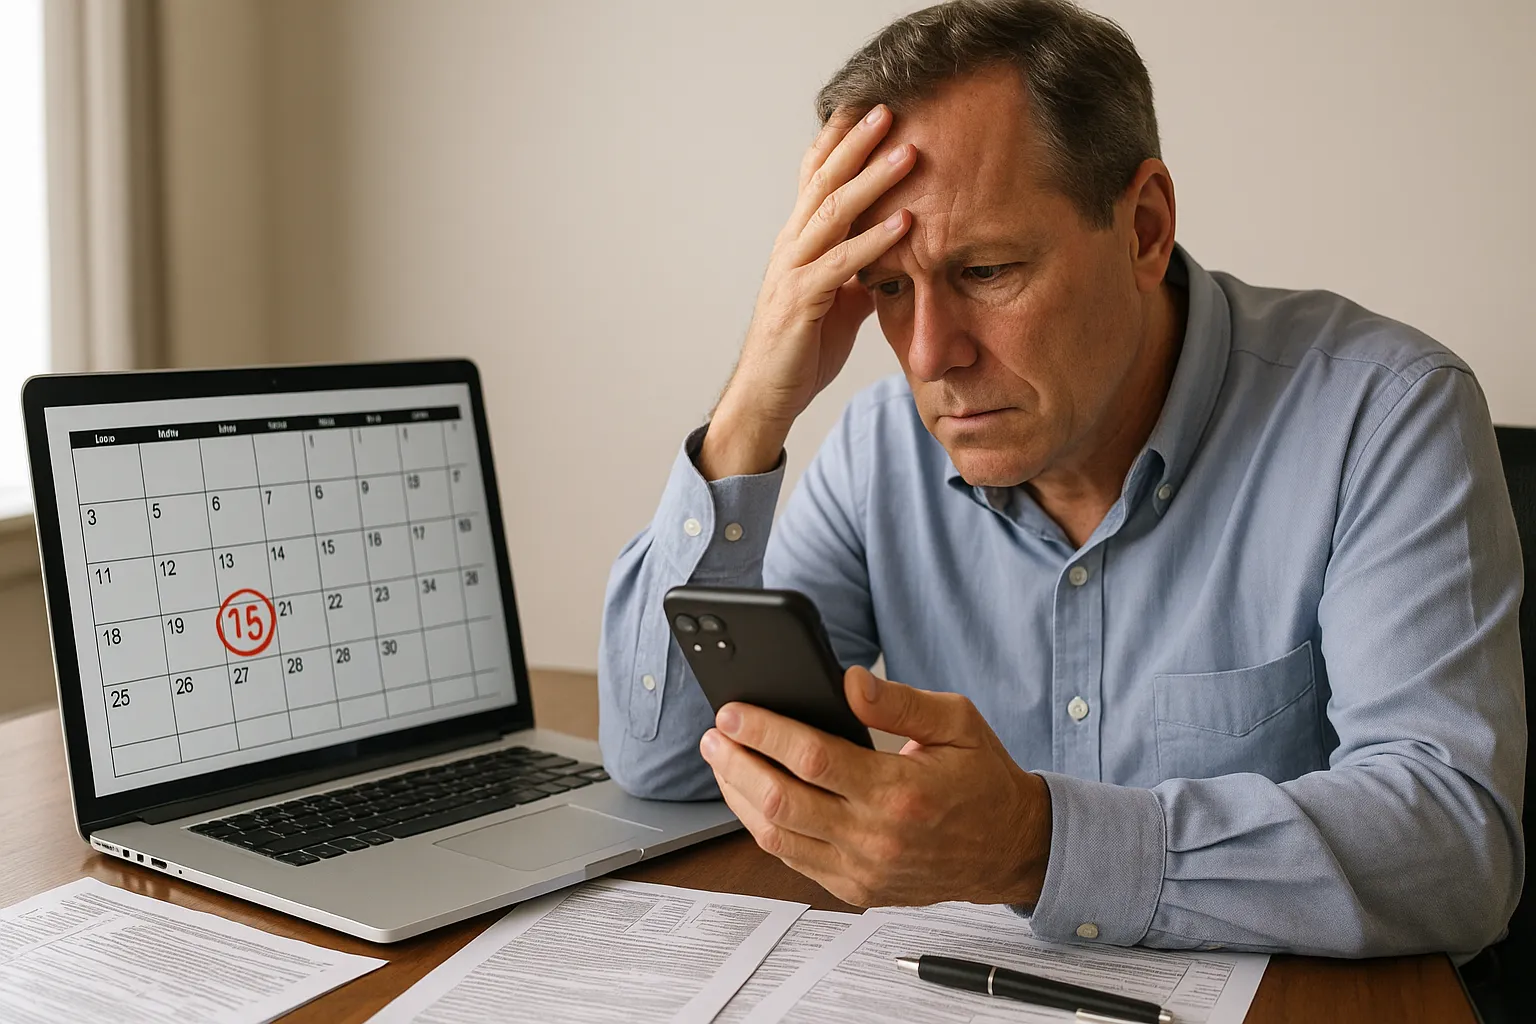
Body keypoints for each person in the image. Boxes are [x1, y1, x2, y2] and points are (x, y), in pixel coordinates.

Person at [596, 0, 1526, 959]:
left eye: (987, 269)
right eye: (888, 286)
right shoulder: (880, 451)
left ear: (1145, 229)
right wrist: (754, 406)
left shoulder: (1384, 413)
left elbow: (1456, 848)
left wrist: (1038, 848)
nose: (929, 354)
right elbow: (663, 759)